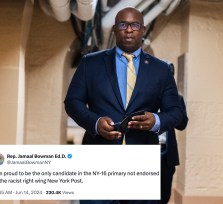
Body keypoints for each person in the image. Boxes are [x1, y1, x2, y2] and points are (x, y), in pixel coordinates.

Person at [64, 7, 184, 204]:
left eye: (135, 25)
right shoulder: (90, 63)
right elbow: (72, 102)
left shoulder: (161, 69)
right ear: (114, 29)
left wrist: (156, 120)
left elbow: (176, 112)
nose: (129, 29)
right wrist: (95, 123)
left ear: (142, 29)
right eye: (123, 24)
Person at [160, 63, 188, 204]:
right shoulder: (143, 96)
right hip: (145, 150)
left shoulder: (178, 99)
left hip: (166, 153)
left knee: (164, 195)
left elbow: (182, 125)